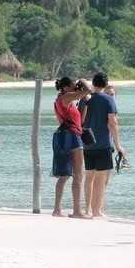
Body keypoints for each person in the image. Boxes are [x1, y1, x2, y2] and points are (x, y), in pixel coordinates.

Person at [82, 72, 126, 218]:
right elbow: (113, 123)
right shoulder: (108, 100)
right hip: (103, 143)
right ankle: (97, 211)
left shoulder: (85, 99)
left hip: (87, 143)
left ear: (93, 84)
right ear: (106, 84)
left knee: (89, 177)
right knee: (101, 178)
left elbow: (80, 120)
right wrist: (118, 145)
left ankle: (88, 210)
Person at [52, 77, 92, 219]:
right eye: (74, 86)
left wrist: (85, 102)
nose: (76, 88)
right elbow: (89, 90)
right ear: (66, 87)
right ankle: (77, 211)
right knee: (78, 175)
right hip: (73, 138)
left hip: (65, 137)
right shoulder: (67, 97)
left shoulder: (61, 100)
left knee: (64, 176)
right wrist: (82, 81)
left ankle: (57, 209)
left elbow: (79, 121)